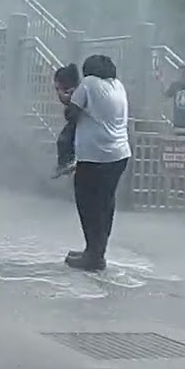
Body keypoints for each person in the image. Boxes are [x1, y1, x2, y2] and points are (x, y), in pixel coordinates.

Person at [61, 54, 132, 272]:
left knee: (88, 204)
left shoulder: (89, 83)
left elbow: (70, 114)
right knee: (105, 204)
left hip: (95, 157)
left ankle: (93, 256)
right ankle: (96, 251)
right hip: (119, 154)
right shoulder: (118, 86)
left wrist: (67, 98)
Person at [52, 63, 81, 178]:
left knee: (64, 140)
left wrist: (66, 97)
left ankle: (66, 162)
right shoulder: (77, 90)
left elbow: (70, 114)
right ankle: (66, 162)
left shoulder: (78, 91)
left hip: (83, 123)